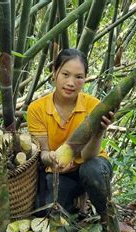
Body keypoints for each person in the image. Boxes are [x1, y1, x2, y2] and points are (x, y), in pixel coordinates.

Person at [27, 48, 114, 222]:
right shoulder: (37, 109)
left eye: (78, 77)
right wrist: (51, 158)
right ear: (54, 73)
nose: (71, 82)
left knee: (92, 171)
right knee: (45, 212)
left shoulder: (94, 106)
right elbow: (43, 154)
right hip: (58, 171)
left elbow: (90, 156)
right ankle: (76, 204)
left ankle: (107, 217)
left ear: (85, 78)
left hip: (91, 166)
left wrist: (98, 132)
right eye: (65, 74)